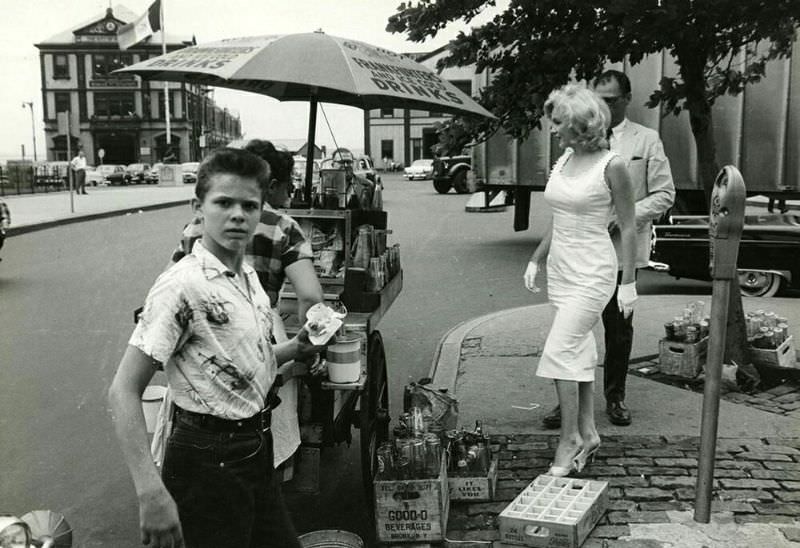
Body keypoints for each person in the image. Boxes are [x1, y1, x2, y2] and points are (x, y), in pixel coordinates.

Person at [108, 148, 325, 548]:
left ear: (262, 211)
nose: (237, 215)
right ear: (198, 207)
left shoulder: (246, 277)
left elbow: (243, 364)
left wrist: (296, 347)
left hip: (254, 450)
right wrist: (149, 491)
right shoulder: (181, 285)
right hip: (207, 460)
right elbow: (123, 390)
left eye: (249, 205)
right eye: (223, 203)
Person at [169, 139, 324, 471]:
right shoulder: (284, 227)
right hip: (259, 337)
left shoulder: (197, 225)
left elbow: (175, 285)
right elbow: (310, 297)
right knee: (264, 445)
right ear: (270, 183)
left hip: (202, 353)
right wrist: (310, 348)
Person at [541, 70, 675, 429]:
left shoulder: (645, 140)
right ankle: (566, 405)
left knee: (618, 331)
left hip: (618, 254)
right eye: (599, 98)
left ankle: (615, 395)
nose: (604, 105)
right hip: (576, 256)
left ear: (626, 99)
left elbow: (664, 193)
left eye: (612, 99)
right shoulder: (570, 149)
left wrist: (621, 215)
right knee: (574, 331)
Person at [524, 84, 637, 476]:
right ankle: (588, 433)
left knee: (559, 349)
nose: (552, 129)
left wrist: (629, 282)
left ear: (579, 124)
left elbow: (628, 224)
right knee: (578, 350)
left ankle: (568, 439)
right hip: (562, 269)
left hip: (594, 270)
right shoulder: (565, 160)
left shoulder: (612, 165)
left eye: (558, 122)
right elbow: (558, 218)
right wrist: (536, 258)